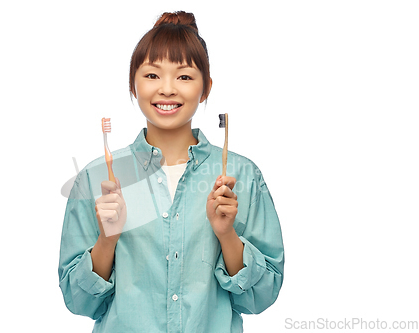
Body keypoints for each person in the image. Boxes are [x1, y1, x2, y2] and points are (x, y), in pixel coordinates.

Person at [58, 11, 284, 333]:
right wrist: (107, 242)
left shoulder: (241, 176)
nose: (166, 89)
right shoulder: (98, 179)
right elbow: (79, 303)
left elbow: (260, 297)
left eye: (184, 77)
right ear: (133, 84)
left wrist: (227, 235)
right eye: (152, 76)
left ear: (206, 88)